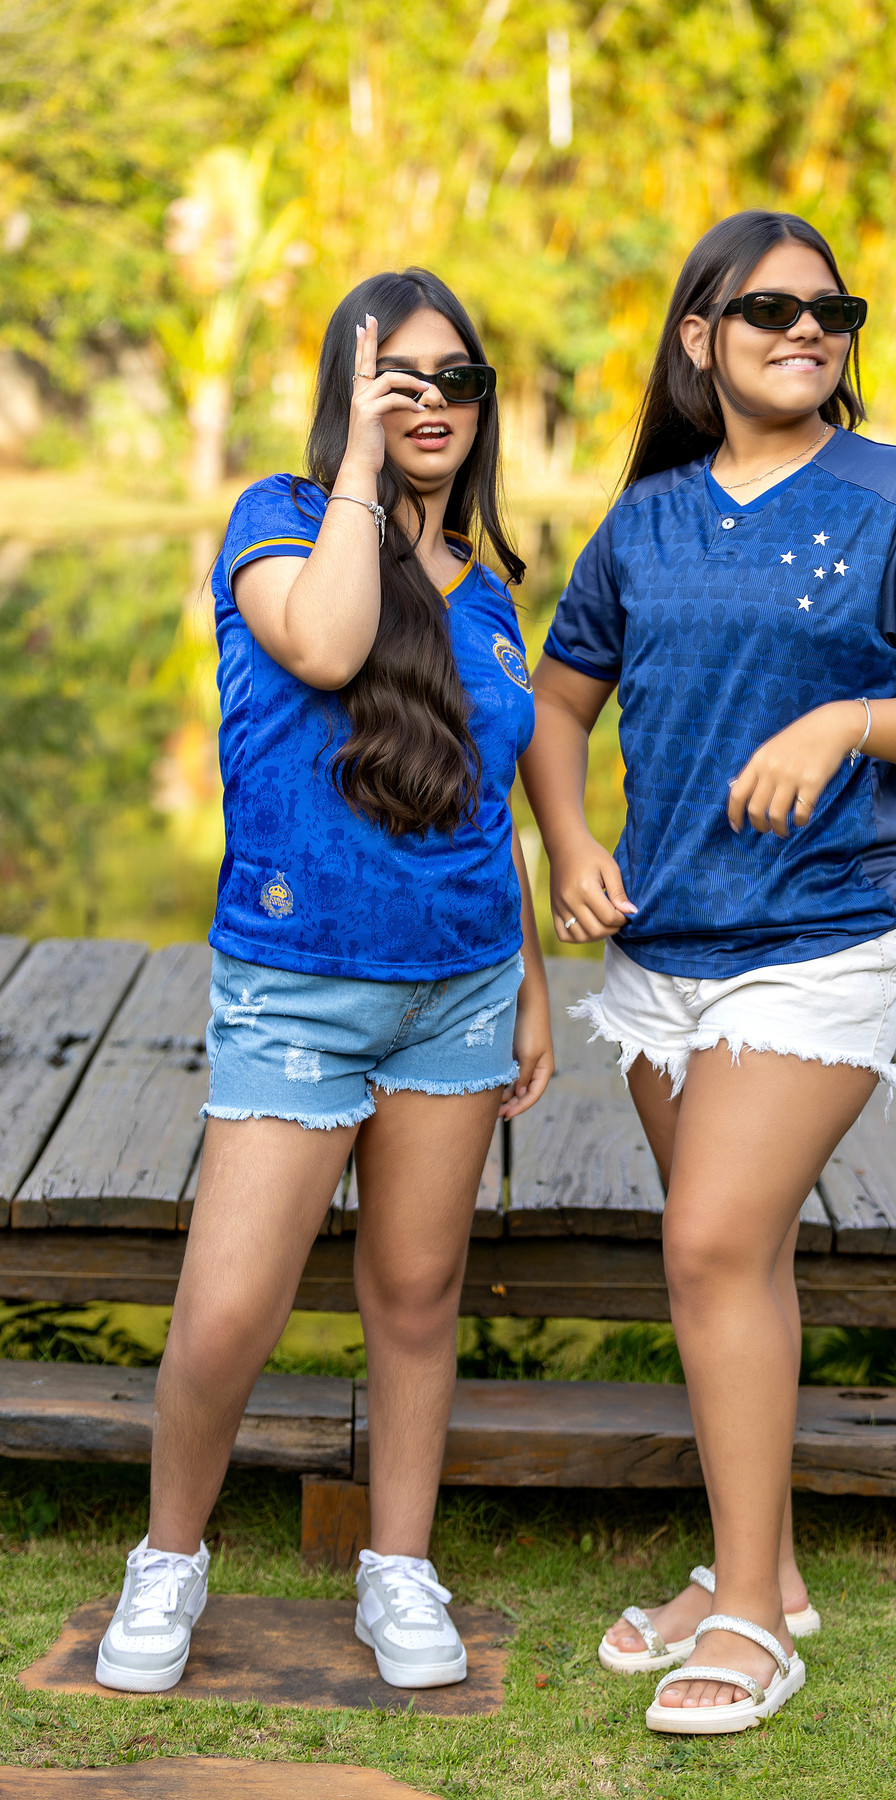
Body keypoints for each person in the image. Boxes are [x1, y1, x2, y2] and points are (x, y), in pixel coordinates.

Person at [519, 210, 896, 1734]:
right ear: (701, 338)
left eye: (831, 310)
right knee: (732, 1263)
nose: (809, 329)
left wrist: (844, 723)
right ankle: (770, 1571)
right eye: (770, 309)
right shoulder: (648, 519)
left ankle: (747, 1620)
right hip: (665, 943)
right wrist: (569, 839)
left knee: (710, 1246)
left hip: (827, 928)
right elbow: (559, 701)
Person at [96, 269, 553, 1695]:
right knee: (232, 1306)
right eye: (397, 378)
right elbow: (331, 643)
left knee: (417, 1292)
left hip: (459, 988)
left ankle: (397, 1568)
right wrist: (360, 467)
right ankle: (169, 1557)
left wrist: (533, 982)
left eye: (457, 379)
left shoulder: (489, 591)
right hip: (296, 983)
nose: (432, 402)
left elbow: (487, 804)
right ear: (348, 395)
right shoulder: (277, 524)